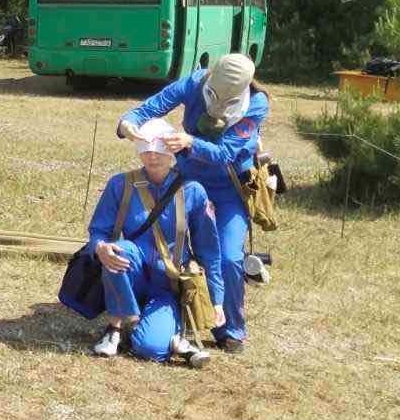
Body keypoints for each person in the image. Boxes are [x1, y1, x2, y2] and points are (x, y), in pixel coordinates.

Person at [118, 53, 267, 353]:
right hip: (186, 181)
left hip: (228, 187)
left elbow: (225, 153)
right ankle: (164, 311)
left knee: (228, 258)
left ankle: (229, 328)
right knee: (167, 246)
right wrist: (128, 122)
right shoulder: (194, 82)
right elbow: (154, 106)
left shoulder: (257, 103)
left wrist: (190, 142)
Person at [86, 119, 221, 366]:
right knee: (119, 249)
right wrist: (100, 247)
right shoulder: (120, 184)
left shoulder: (193, 190)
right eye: (146, 149)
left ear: (172, 151)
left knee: (150, 350)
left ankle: (165, 337)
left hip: (166, 285)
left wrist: (217, 299)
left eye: (160, 149)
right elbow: (98, 231)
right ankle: (117, 326)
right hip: (131, 275)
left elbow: (208, 249)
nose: (152, 156)